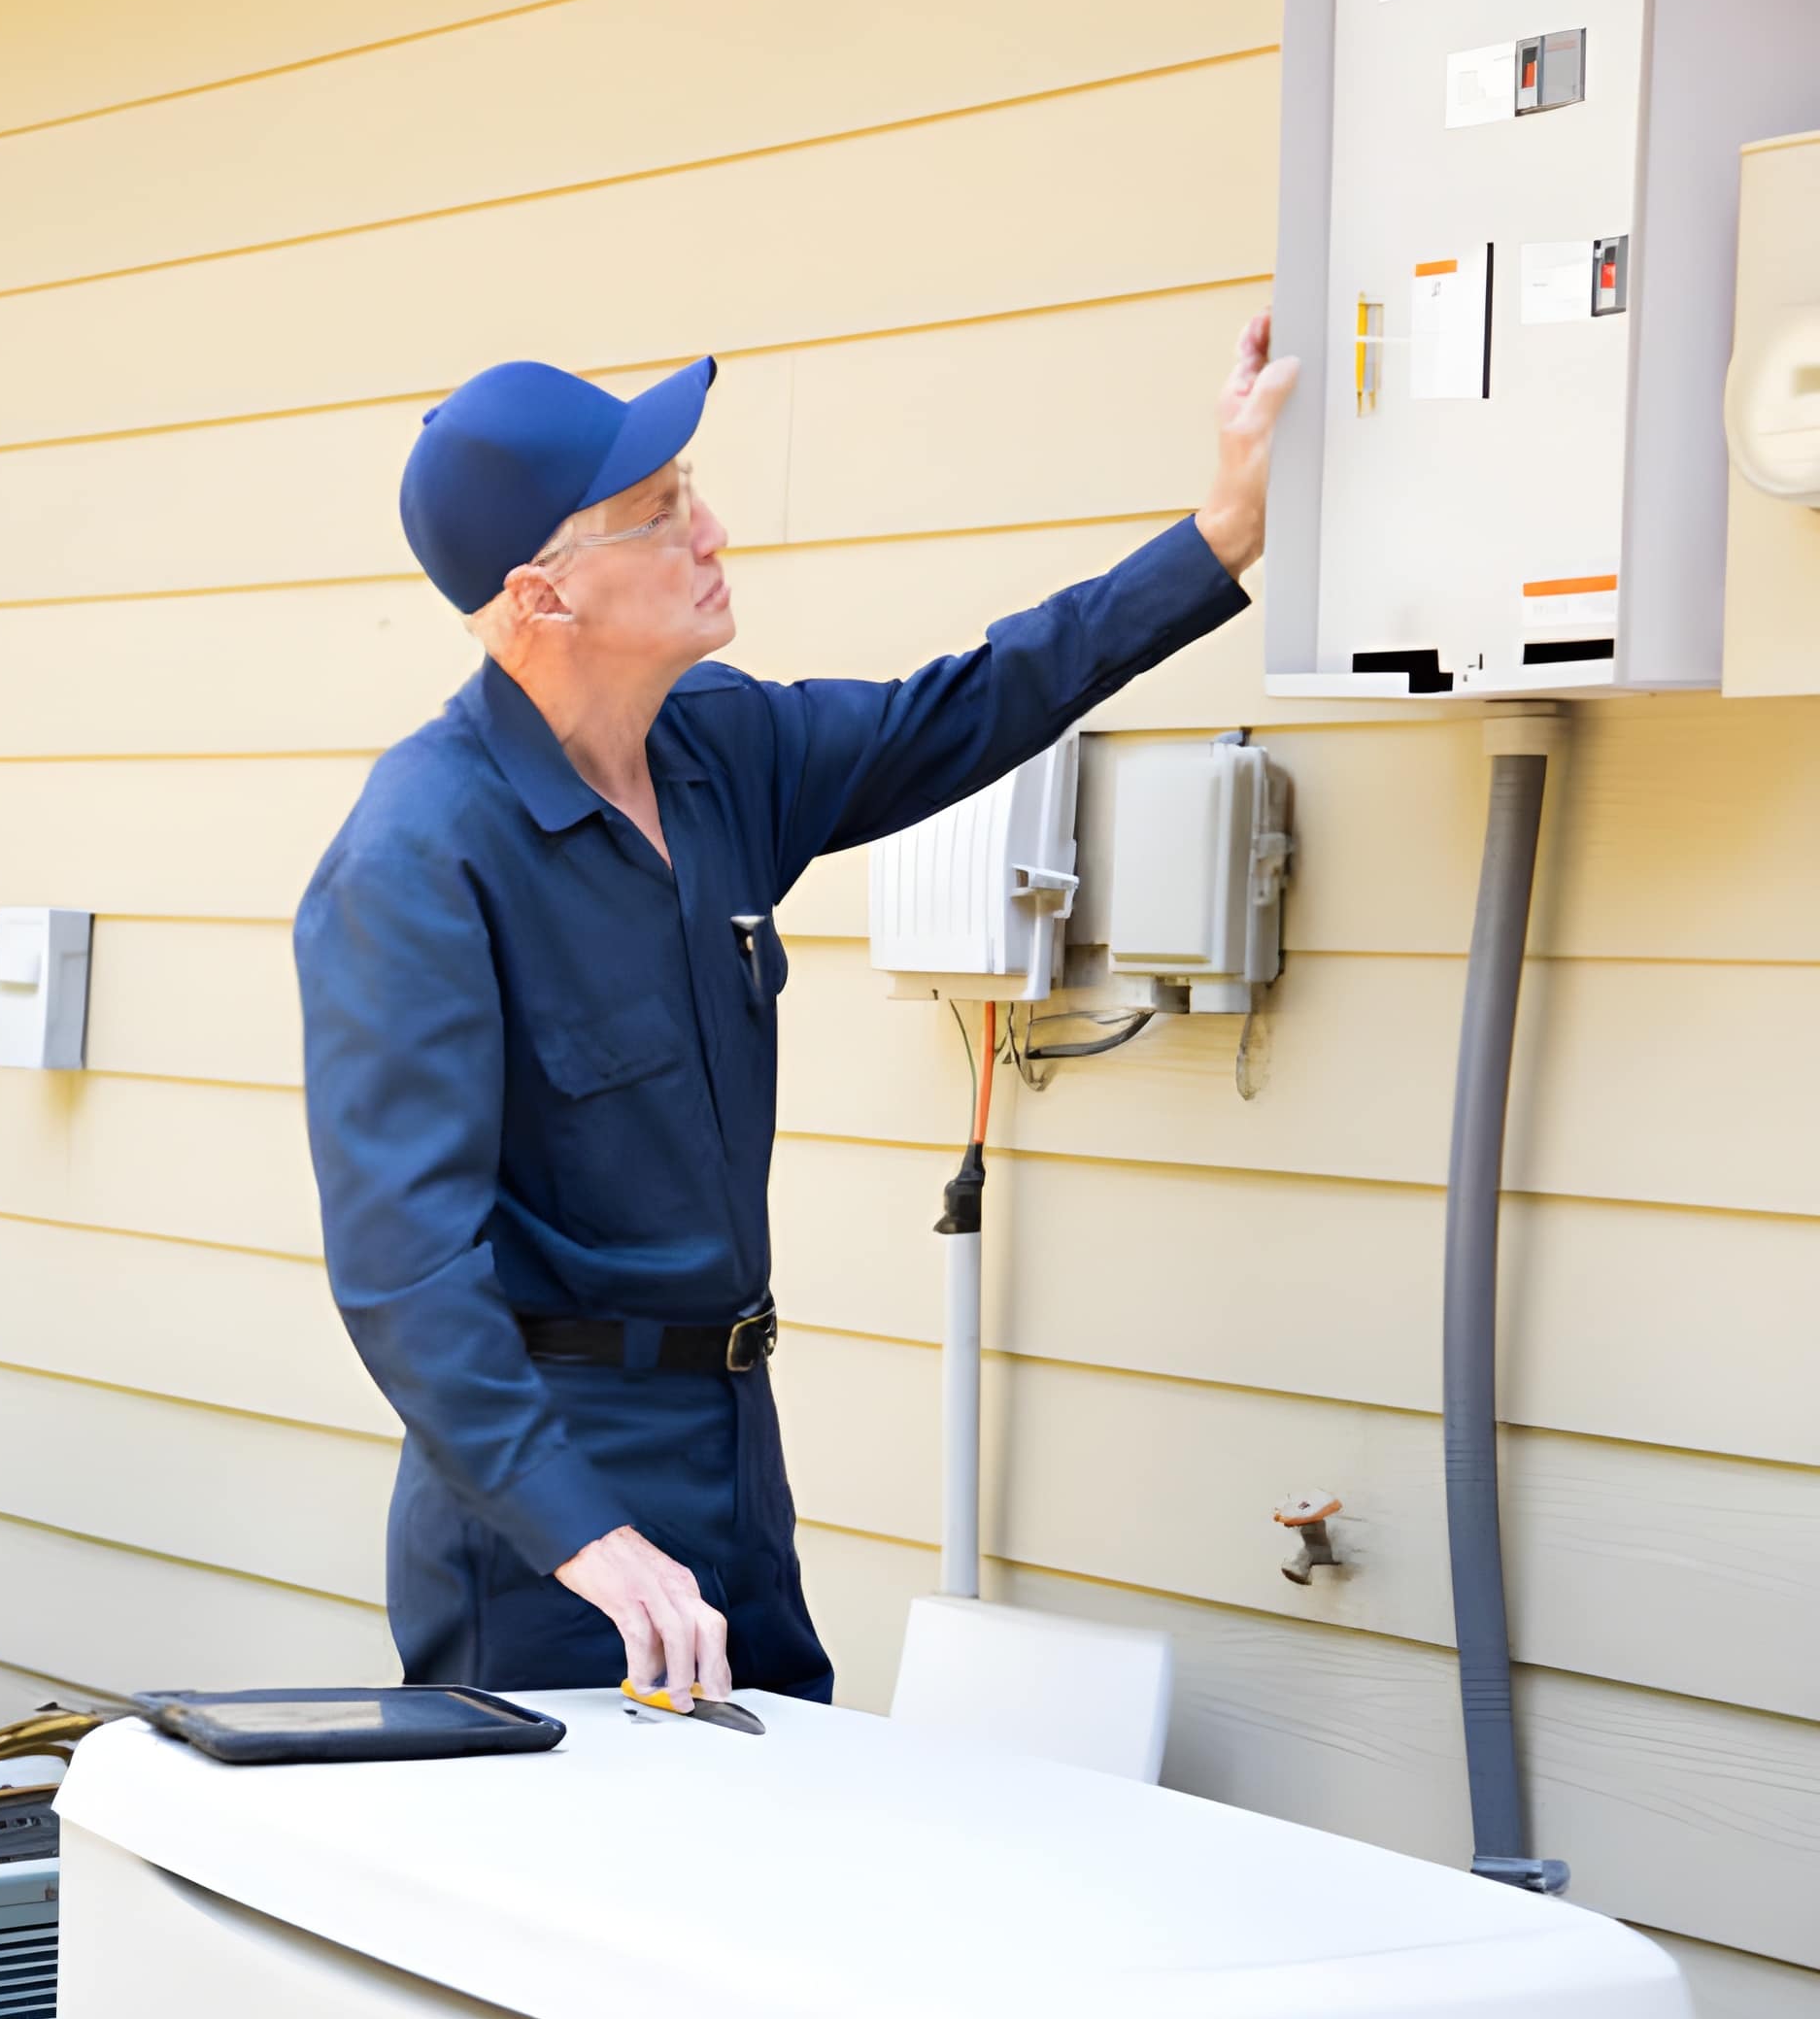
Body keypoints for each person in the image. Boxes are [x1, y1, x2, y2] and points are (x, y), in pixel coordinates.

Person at [295, 319, 1297, 1711]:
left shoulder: (718, 752)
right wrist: (585, 1536)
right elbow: (406, 1272)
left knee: (783, 1847)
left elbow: (973, 702)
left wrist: (1221, 537)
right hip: (548, 1501)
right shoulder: (421, 857)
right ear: (544, 599)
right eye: (657, 515)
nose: (708, 532)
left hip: (732, 1439)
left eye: (691, 490)